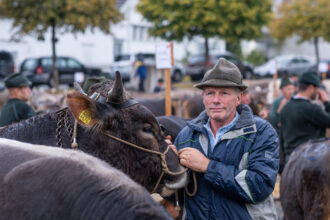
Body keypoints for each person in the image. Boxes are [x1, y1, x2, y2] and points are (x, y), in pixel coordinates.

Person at [169, 58, 279, 219]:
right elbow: (175, 197)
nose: (215, 100)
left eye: (224, 93)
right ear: (203, 97)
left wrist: (207, 166)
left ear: (239, 98)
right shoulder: (187, 135)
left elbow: (259, 186)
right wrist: (168, 165)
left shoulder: (260, 132)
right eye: (210, 93)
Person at [280, 71, 330, 163]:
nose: (318, 91)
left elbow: (281, 137)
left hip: (290, 160)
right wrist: (326, 102)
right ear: (311, 87)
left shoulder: (285, 108)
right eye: (317, 88)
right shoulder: (312, 109)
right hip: (309, 160)